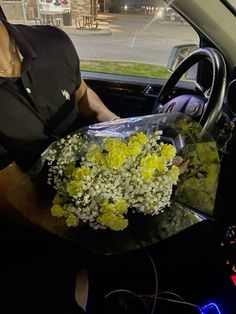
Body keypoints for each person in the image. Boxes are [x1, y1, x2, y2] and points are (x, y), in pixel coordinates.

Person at [0, 15, 119, 313]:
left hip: (93, 203)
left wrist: (123, 132)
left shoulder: (53, 42)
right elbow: (22, 205)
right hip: (31, 234)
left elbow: (85, 99)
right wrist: (107, 214)